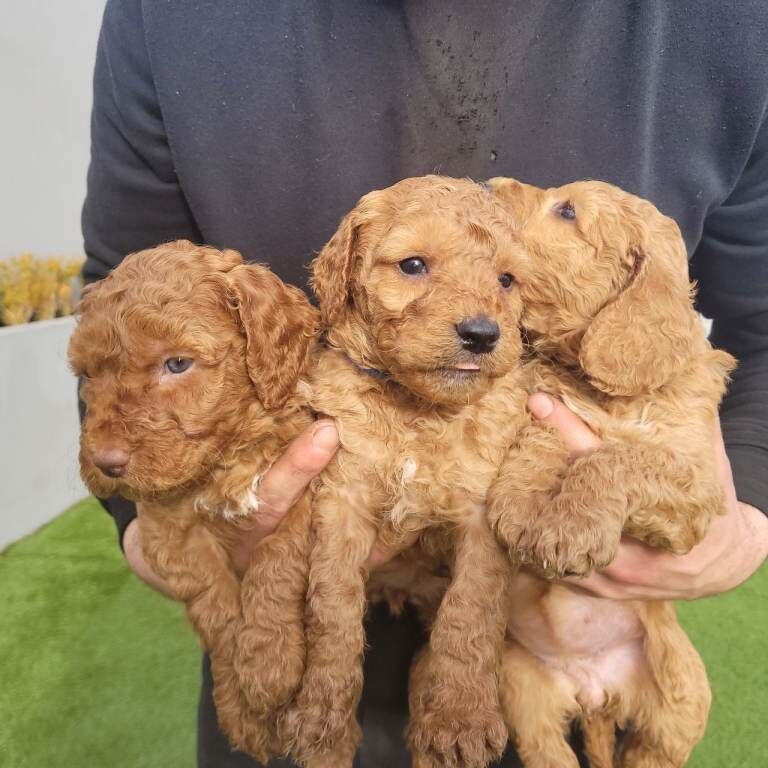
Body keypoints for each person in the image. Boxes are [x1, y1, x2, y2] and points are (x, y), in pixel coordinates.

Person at [82, 2, 768, 766]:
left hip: (541, 657)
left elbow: (764, 327)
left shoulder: (731, 24)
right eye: (411, 266)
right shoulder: (169, 17)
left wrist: (751, 512)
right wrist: (160, 524)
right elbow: (121, 311)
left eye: (509, 281)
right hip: (282, 668)